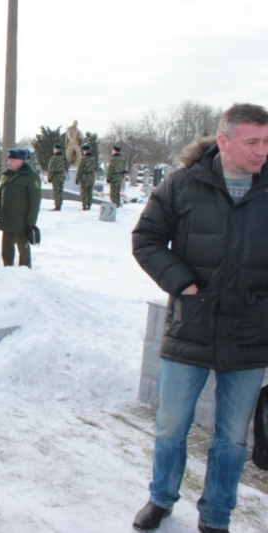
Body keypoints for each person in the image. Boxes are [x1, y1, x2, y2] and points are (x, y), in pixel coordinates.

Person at [131, 103, 268, 533]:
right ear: (223, 142)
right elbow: (146, 238)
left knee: (231, 440)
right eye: (253, 142)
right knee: (171, 428)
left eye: (267, 142)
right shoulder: (182, 184)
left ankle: (216, 515)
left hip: (250, 333)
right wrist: (184, 285)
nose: (262, 151)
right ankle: (161, 497)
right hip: (190, 325)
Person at [0, 148, 40, 268]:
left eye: (12, 160)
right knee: (6, 252)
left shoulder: (31, 177)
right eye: (9, 159)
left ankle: (25, 276)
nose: (9, 162)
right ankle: (8, 273)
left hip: (21, 223)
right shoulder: (6, 175)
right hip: (7, 221)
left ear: (20, 161)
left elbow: (35, 202)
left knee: (24, 254)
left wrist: (31, 223)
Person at [47, 143, 68, 211]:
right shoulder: (63, 158)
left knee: (56, 191)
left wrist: (49, 177)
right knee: (60, 191)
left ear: (56, 149)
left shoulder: (53, 158)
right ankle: (60, 204)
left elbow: (51, 169)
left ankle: (57, 205)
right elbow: (66, 166)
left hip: (55, 176)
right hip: (62, 176)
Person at [75, 144, 96, 210]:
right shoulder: (93, 159)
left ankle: (84, 205)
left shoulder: (83, 159)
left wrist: (77, 178)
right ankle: (89, 205)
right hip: (92, 177)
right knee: (90, 192)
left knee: (84, 192)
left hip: (84, 177)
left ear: (85, 151)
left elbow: (80, 170)